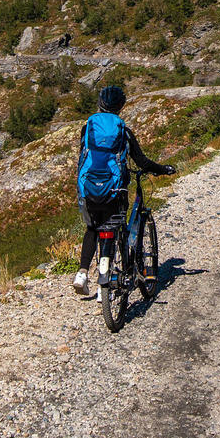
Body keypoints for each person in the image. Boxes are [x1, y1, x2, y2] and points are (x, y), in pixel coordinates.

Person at [72, 85, 174, 297]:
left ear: (100, 104)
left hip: (88, 188)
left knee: (92, 228)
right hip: (115, 189)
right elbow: (141, 161)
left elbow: (83, 156)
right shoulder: (123, 131)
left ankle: (81, 274)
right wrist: (162, 169)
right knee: (114, 226)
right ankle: (106, 284)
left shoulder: (87, 128)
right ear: (121, 107)